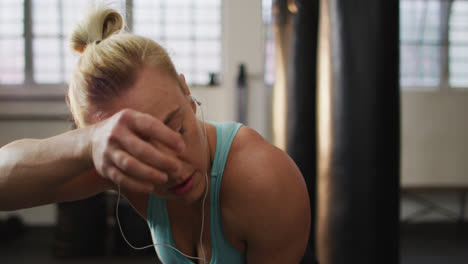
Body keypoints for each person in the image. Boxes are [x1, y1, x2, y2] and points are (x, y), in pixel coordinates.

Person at [0, 6, 310, 264]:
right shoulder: (120, 165)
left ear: (186, 91)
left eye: (175, 129)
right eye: (140, 150)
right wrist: (88, 144)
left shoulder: (264, 179)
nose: (170, 167)